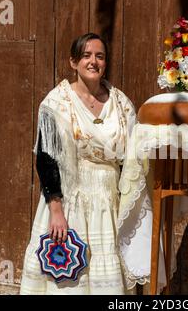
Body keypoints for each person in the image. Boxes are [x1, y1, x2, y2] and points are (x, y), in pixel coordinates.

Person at [20, 33, 137, 294]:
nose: (93, 61)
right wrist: (56, 210)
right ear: (73, 62)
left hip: (109, 202)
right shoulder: (56, 103)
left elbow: (134, 156)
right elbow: (46, 159)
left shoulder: (121, 104)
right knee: (70, 282)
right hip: (71, 200)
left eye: (100, 56)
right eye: (86, 55)